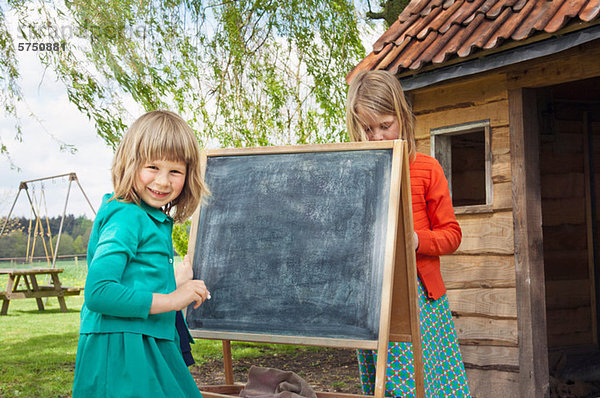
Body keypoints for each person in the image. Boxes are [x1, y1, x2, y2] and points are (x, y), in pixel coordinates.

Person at [346, 70, 471, 397]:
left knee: (431, 384)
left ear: (402, 116)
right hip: (374, 297)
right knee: (389, 387)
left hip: (422, 300)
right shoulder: (356, 171)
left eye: (385, 126)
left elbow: (452, 234)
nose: (377, 138)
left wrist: (416, 240)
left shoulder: (427, 169)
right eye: (367, 129)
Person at [72, 110, 210, 397]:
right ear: (129, 163)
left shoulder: (147, 217)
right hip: (123, 350)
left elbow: (135, 279)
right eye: (152, 167)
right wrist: (173, 299)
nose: (162, 181)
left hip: (146, 341)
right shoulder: (126, 216)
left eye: (175, 171)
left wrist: (175, 282)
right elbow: (99, 292)